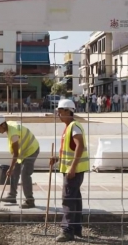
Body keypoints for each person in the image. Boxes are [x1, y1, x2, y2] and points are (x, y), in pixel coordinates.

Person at [50, 99, 89, 242]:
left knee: (68, 199)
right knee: (75, 199)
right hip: (73, 169)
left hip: (74, 170)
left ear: (68, 111)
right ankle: (77, 228)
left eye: (60, 111)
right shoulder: (69, 127)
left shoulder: (74, 127)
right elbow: (70, 149)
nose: (58, 114)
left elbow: (80, 145)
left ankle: (67, 230)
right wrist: (57, 158)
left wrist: (72, 167)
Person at [0, 113, 40, 209]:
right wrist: (12, 168)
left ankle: (30, 201)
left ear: (3, 125)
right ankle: (12, 196)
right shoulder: (8, 125)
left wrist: (10, 168)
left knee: (25, 174)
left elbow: (15, 154)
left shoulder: (13, 133)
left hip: (31, 150)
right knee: (14, 172)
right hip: (23, 151)